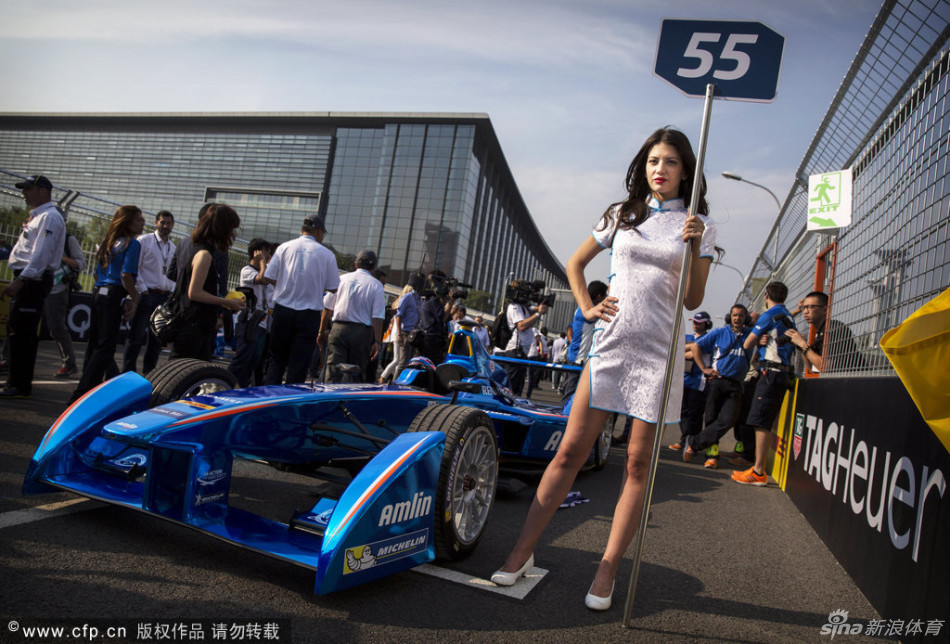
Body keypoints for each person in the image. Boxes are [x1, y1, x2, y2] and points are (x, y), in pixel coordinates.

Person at [491, 127, 716, 610]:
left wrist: (696, 246)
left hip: (659, 352)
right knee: (570, 451)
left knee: (636, 464)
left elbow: (693, 299)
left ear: (686, 170)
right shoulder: (622, 214)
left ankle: (608, 567)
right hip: (610, 345)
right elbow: (575, 263)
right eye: (653, 160)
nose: (660, 169)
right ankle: (521, 551)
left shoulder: (698, 224)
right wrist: (587, 308)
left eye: (670, 162)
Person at [69, 205, 145, 402]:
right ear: (127, 222)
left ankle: (97, 387)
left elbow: (96, 273)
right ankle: (82, 393)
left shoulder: (108, 242)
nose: (142, 223)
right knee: (105, 347)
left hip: (98, 292)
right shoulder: (132, 244)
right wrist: (134, 298)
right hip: (113, 293)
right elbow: (126, 275)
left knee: (96, 344)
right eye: (138, 220)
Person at [2, 175, 66, 398]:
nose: (24, 193)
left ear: (43, 191)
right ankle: (16, 382)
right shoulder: (38, 216)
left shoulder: (49, 217)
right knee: (17, 331)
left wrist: (21, 280)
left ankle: (19, 385)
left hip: (32, 281)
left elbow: (41, 255)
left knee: (23, 334)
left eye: (28, 188)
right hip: (30, 279)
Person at [732, 281, 796, 487]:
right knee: (762, 420)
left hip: (771, 372)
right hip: (781, 372)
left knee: (760, 421)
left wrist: (758, 340)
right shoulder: (788, 315)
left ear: (766, 295)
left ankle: (758, 471)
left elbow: (747, 343)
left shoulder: (770, 314)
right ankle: (757, 468)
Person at [264, 214, 339, 385]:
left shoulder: (284, 247)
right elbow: (334, 287)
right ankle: (292, 397)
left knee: (276, 358)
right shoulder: (327, 255)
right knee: (300, 361)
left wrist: (284, 284)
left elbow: (268, 276)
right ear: (318, 231)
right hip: (309, 314)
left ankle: (270, 395)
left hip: (283, 309)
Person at [170, 204, 245, 362]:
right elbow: (195, 293)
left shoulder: (202, 250)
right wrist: (226, 302)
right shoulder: (204, 254)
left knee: (193, 371)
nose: (233, 234)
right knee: (180, 371)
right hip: (193, 324)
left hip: (197, 323)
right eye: (231, 229)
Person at [683, 305, 752, 468]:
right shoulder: (720, 333)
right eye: (735, 315)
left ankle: (693, 442)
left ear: (745, 318)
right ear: (730, 317)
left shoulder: (751, 335)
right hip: (717, 381)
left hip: (736, 385)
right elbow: (695, 346)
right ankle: (712, 455)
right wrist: (704, 369)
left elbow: (766, 324)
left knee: (728, 420)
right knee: (711, 418)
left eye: (741, 315)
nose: (737, 318)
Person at [123, 210, 176, 375]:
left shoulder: (173, 247)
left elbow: (173, 274)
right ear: (156, 223)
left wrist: (171, 291)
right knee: (137, 335)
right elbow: (136, 267)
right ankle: (128, 372)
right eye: (162, 222)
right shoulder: (144, 241)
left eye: (168, 223)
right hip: (148, 293)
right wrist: (143, 289)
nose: (165, 226)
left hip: (164, 296)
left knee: (156, 338)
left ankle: (150, 373)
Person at [322, 250, 385, 383]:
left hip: (339, 328)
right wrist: (377, 342)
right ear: (373, 267)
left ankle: (330, 393)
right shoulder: (376, 285)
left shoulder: (341, 279)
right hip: (362, 333)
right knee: (357, 373)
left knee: (333, 371)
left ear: (356, 264)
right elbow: (378, 318)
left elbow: (327, 308)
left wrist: (321, 331)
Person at [784, 290, 865, 374]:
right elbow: (813, 369)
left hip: (856, 377)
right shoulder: (820, 332)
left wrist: (803, 344)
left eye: (811, 307)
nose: (805, 311)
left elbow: (825, 367)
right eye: (803, 307)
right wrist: (800, 347)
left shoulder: (835, 329)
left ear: (825, 310)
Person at [43, 223, 86, 378]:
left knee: (56, 328)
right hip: (35, 283)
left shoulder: (68, 239)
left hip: (57, 287)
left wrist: (60, 257)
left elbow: (81, 264)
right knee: (20, 324)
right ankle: (8, 359)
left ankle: (69, 363)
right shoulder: (39, 235)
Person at [227, 238, 271, 387]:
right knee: (242, 358)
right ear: (256, 253)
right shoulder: (247, 271)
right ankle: (224, 383)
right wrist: (262, 261)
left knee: (253, 361)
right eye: (265, 251)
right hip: (248, 321)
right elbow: (262, 279)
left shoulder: (263, 269)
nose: (267, 255)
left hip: (261, 321)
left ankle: (242, 388)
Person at [668, 311, 712, 454]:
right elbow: (675, 350)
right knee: (682, 411)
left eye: (699, 322)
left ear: (706, 324)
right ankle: (685, 440)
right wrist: (689, 350)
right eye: (694, 322)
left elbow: (692, 353)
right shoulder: (687, 337)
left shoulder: (708, 338)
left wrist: (688, 350)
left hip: (698, 381)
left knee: (695, 413)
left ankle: (692, 443)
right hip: (683, 379)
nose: (695, 325)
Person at [560, 280, 608, 400]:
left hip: (578, 355)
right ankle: (564, 410)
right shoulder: (588, 311)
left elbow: (569, 327)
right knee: (571, 391)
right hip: (579, 357)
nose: (605, 298)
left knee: (574, 390)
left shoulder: (582, 308)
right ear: (599, 296)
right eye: (605, 295)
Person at [499, 279, 548, 396]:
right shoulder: (514, 307)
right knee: (511, 386)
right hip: (515, 350)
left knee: (518, 387)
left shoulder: (523, 307)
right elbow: (521, 326)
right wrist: (538, 313)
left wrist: (543, 304)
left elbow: (535, 309)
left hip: (522, 351)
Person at [379, 284, 413, 383]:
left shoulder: (398, 302)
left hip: (396, 333)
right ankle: (384, 377)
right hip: (399, 333)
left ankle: (391, 377)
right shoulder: (405, 302)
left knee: (398, 360)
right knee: (398, 360)